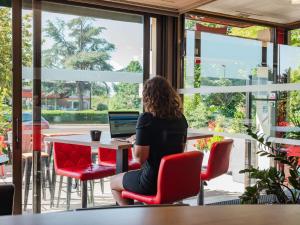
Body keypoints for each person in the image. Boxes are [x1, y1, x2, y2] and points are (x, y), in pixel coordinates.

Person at [110, 76, 188, 205]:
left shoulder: (147, 119)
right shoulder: (181, 119)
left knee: (113, 182)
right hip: (173, 179)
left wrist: (135, 141)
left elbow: (140, 159)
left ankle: (131, 219)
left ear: (148, 97)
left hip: (151, 182)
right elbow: (179, 150)